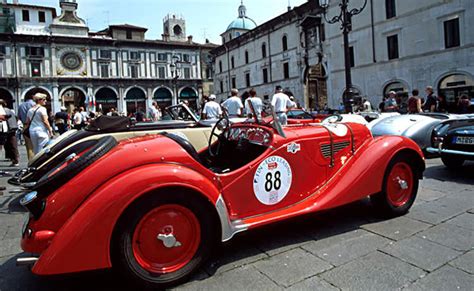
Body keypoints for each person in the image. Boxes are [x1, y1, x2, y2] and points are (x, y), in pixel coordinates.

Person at [0, 100, 19, 166]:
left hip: (7, 129)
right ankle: (14, 160)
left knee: (9, 144)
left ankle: (14, 159)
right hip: (12, 129)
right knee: (12, 144)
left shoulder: (3, 110)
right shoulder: (9, 110)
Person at [18, 94, 36, 160]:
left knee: (28, 146)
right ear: (32, 97)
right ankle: (35, 161)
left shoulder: (21, 105)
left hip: (25, 126)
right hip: (33, 125)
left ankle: (30, 160)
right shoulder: (34, 104)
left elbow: (19, 117)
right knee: (36, 145)